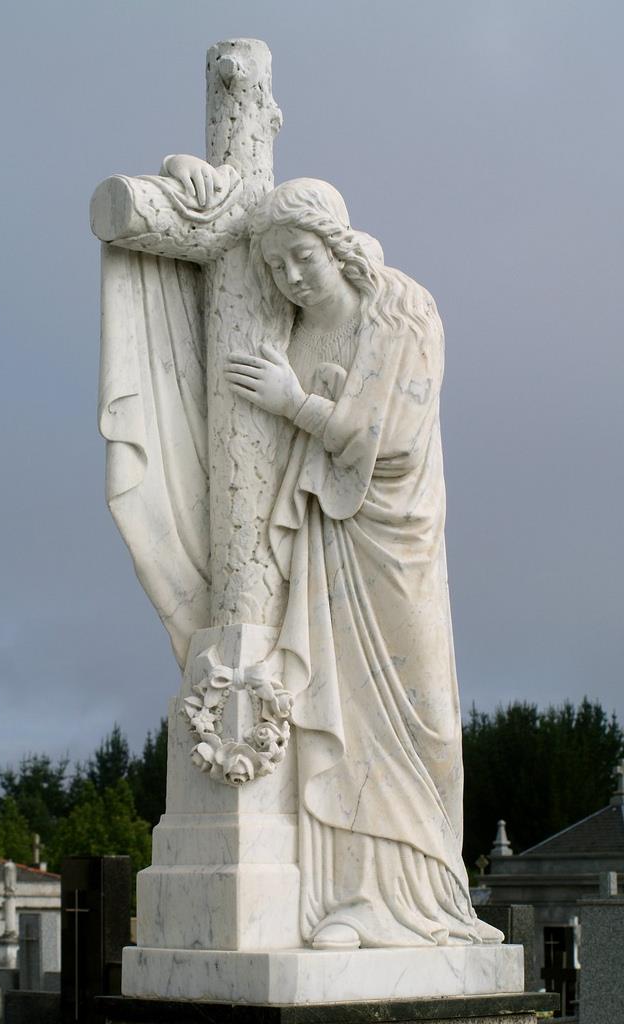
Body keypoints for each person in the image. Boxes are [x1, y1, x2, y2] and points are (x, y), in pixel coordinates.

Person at [225, 178, 501, 950]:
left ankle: (424, 899)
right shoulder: (287, 328)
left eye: (302, 258)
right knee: (340, 711)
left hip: (395, 536)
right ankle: (352, 896)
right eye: (276, 266)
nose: (290, 279)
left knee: (426, 720)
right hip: (327, 541)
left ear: (338, 247)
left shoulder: (402, 308)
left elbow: (399, 439)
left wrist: (294, 403)